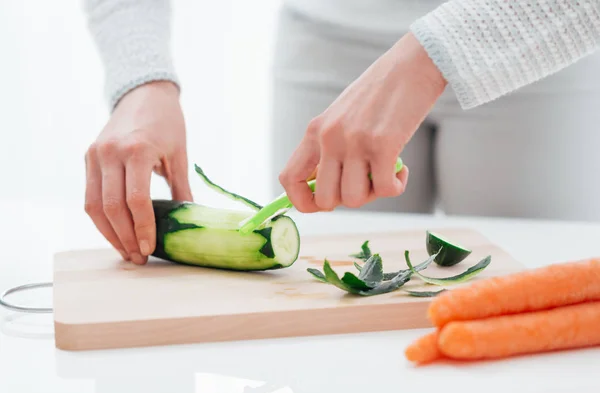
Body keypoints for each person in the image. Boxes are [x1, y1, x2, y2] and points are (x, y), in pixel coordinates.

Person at [82, 0, 600, 264]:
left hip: (530, 37)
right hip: (324, 34)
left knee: (537, 289)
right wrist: (141, 78)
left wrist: (426, 61)